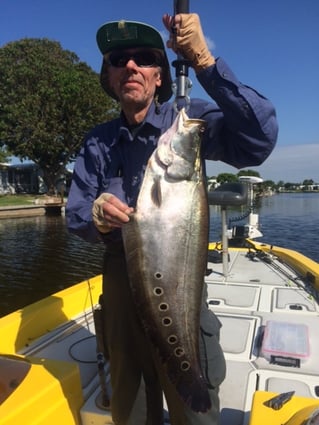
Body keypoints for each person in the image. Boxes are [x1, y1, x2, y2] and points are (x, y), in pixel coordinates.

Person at [66, 13, 278, 425]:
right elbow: (75, 212)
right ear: (109, 78)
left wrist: (203, 60)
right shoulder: (97, 141)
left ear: (160, 77)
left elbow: (259, 138)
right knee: (129, 398)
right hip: (120, 280)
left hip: (178, 279)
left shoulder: (186, 122)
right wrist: (95, 216)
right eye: (119, 60)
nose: (130, 65)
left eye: (144, 58)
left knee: (192, 401)